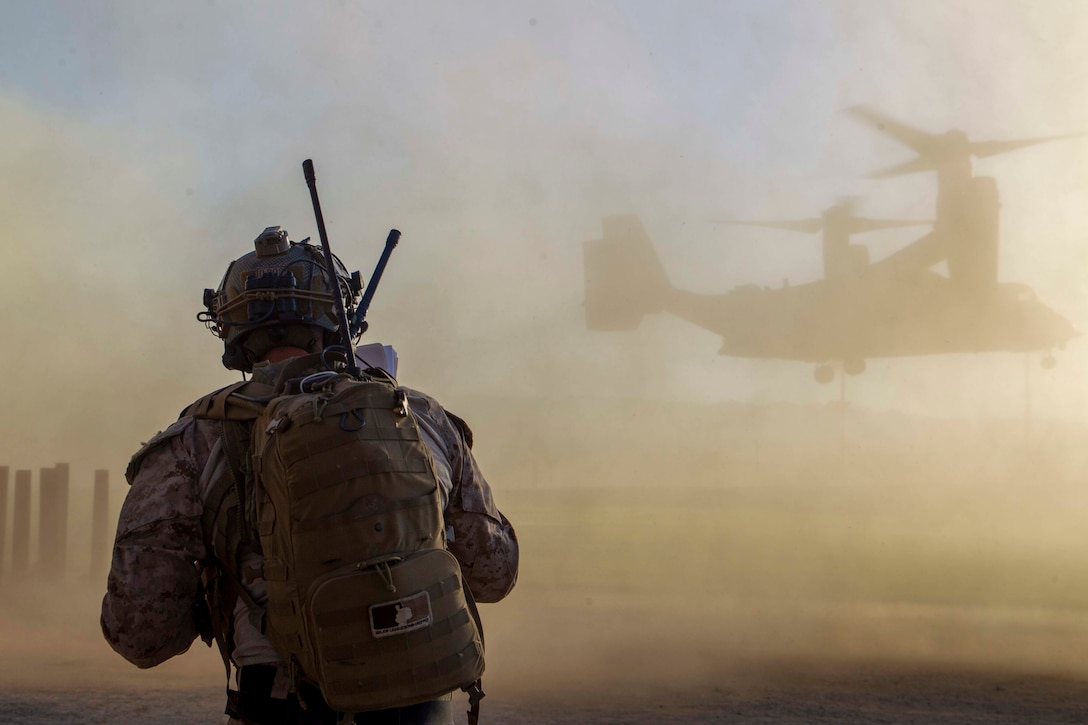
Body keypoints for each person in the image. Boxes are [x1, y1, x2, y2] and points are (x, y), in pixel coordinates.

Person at [101, 227, 519, 725]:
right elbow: (495, 574)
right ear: (333, 317)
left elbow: (139, 632)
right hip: (419, 701)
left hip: (279, 703)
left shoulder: (194, 441)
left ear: (234, 330)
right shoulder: (420, 417)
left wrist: (219, 586)